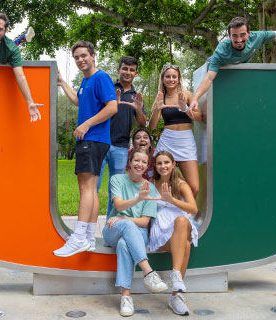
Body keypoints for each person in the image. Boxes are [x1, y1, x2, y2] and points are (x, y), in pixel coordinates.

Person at [54, 41, 117, 257]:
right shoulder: (86, 81)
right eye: (76, 57)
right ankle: (89, 237)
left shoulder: (100, 78)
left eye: (84, 56)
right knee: (91, 189)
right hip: (92, 140)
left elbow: (112, 107)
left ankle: (78, 238)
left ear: (92, 56)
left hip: (93, 139)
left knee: (86, 189)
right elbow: (79, 102)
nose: (80, 60)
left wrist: (87, 124)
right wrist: (62, 83)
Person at [103, 148, 168, 317]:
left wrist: (123, 219)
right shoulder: (117, 179)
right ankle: (148, 272)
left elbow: (144, 222)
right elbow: (119, 206)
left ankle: (126, 297)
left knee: (126, 243)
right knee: (127, 229)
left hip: (136, 232)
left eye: (144, 162)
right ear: (129, 162)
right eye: (136, 160)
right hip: (113, 230)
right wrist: (139, 199)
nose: (140, 164)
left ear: (147, 166)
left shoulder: (150, 189)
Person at [149, 150, 198, 316]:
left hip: (180, 225)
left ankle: (175, 275)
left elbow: (193, 208)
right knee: (185, 245)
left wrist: (171, 200)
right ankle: (176, 296)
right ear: (155, 166)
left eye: (166, 163)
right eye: (159, 163)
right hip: (160, 229)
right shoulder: (151, 182)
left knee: (182, 221)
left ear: (173, 164)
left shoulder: (181, 184)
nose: (163, 166)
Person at [97, 56, 147, 218]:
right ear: (118, 70)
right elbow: (96, 114)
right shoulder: (108, 88)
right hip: (100, 143)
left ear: (136, 73)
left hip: (121, 148)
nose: (128, 72)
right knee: (93, 188)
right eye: (125, 68)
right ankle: (87, 229)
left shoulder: (136, 95)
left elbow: (142, 123)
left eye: (132, 70)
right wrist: (112, 106)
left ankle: (110, 228)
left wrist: (138, 109)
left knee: (115, 191)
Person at [148, 65, 203, 197]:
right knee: (160, 183)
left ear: (178, 79)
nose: (171, 79)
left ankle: (183, 212)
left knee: (194, 187)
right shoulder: (160, 97)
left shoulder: (187, 95)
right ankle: (164, 214)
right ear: (163, 79)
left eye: (174, 76)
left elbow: (200, 118)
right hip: (167, 141)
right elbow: (152, 126)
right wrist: (157, 109)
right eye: (168, 76)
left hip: (186, 141)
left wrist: (185, 108)